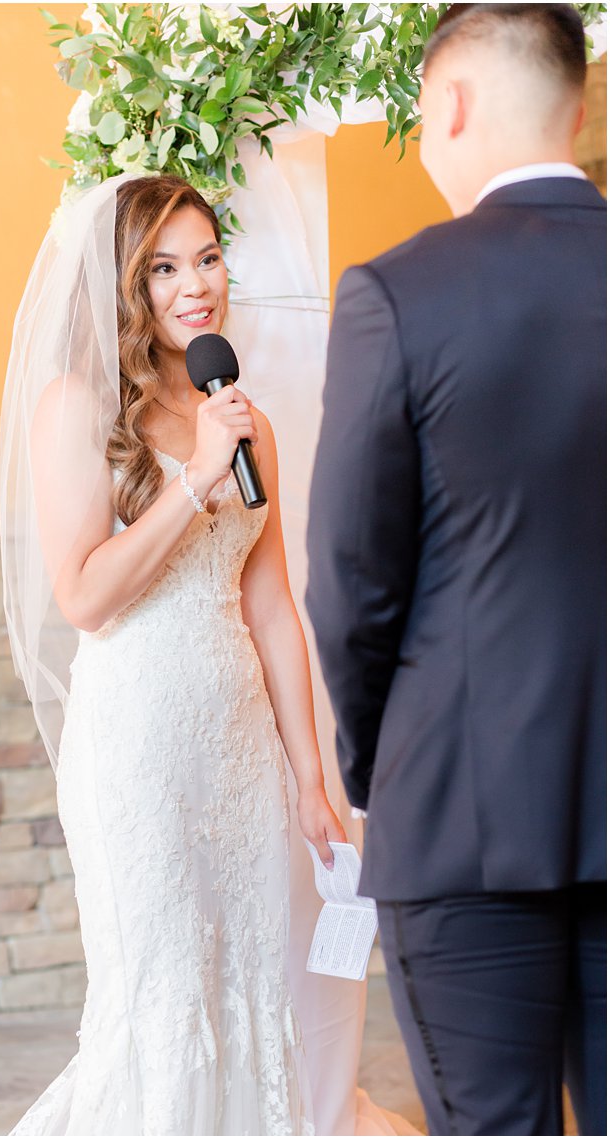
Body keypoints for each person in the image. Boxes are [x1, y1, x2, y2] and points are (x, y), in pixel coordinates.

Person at [0, 174, 352, 1134]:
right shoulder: (76, 407)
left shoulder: (246, 421)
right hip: (137, 749)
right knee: (157, 998)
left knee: (248, 988)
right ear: (125, 285)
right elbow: (85, 595)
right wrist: (195, 477)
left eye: (206, 258)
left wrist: (313, 780)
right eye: (163, 268)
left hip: (240, 753)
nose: (195, 286)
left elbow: (275, 608)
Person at [306, 5, 606, 1135]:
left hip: (464, 812)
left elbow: (349, 578)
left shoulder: (398, 294)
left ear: (449, 104)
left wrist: (381, 765)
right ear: (575, 112)